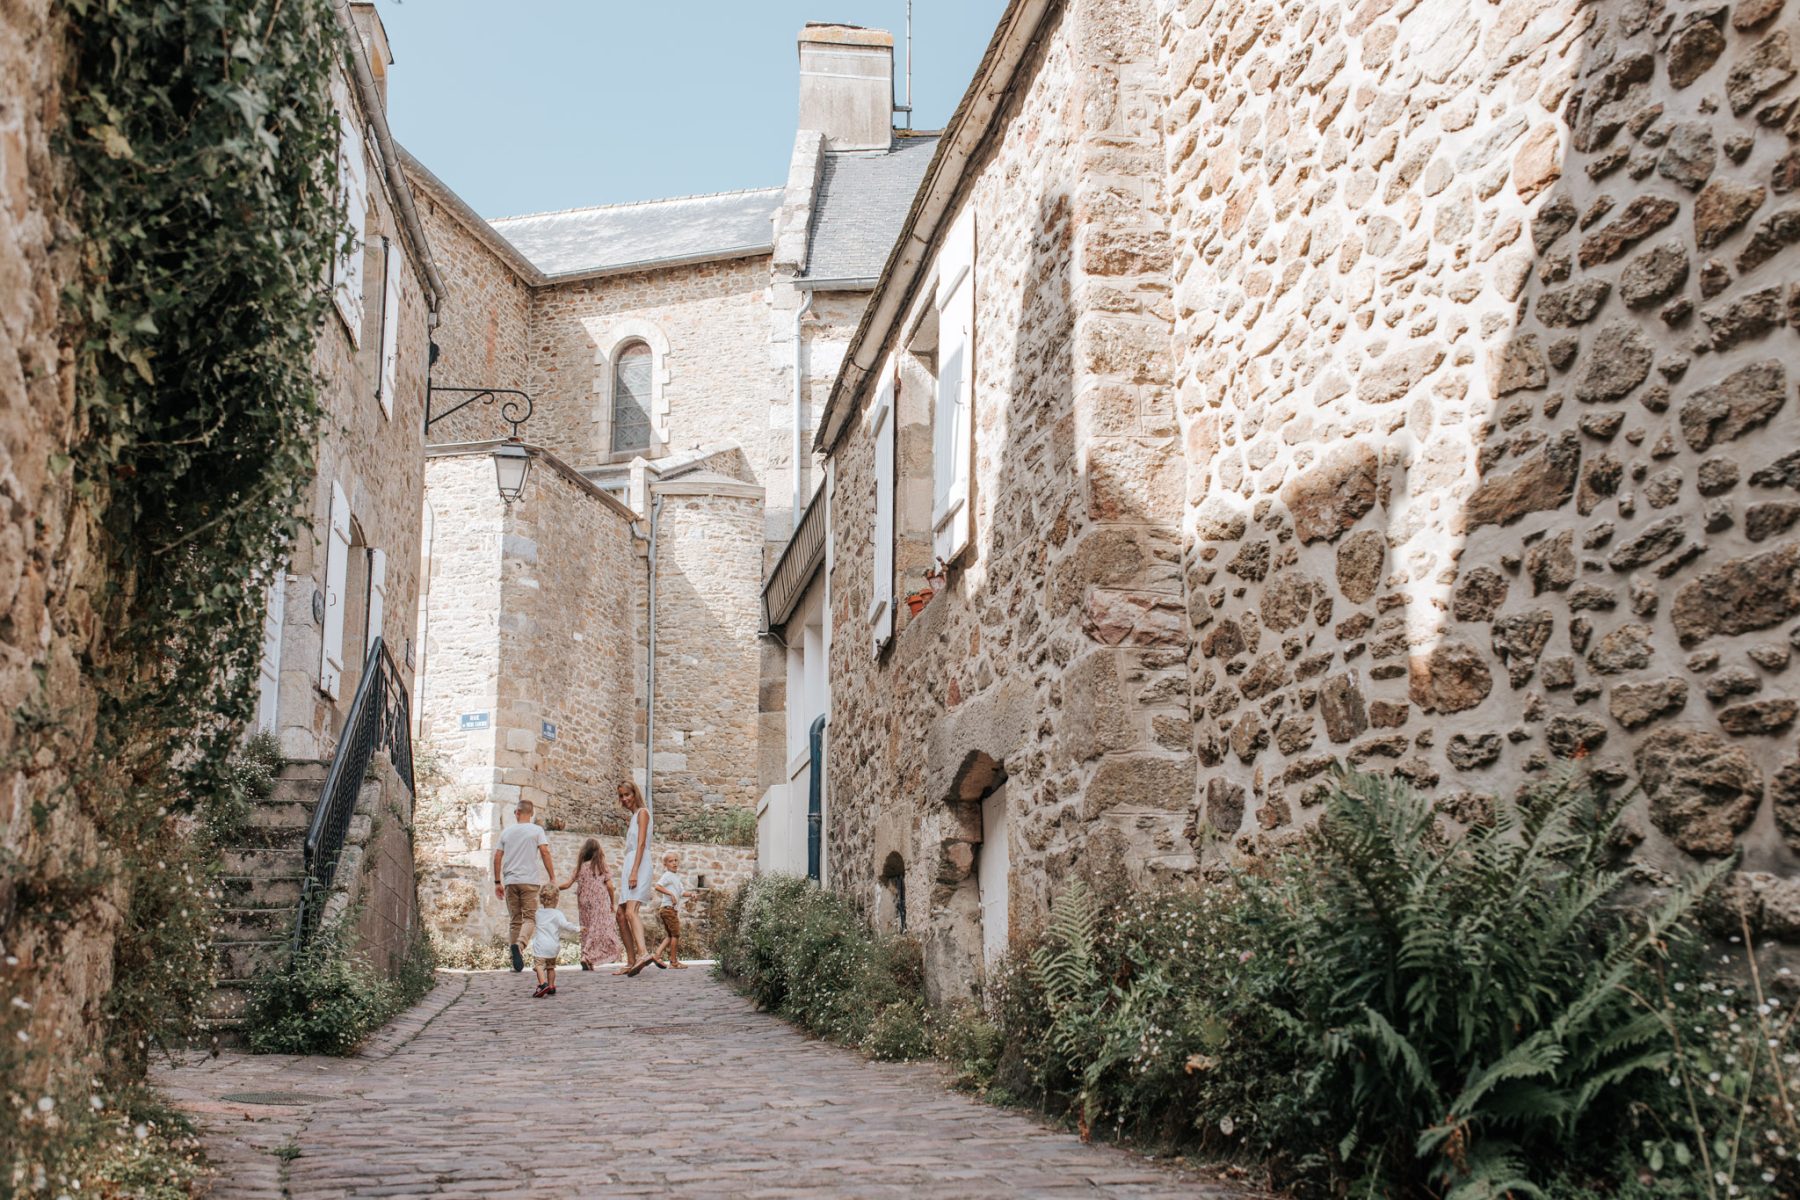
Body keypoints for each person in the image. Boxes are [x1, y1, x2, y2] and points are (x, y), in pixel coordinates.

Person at [492, 798, 555, 973]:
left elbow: (497, 857)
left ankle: (514, 963)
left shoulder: (507, 832)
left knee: (515, 920)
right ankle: (519, 945)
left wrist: (497, 882)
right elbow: (544, 852)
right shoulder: (536, 830)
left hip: (511, 882)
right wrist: (552, 877)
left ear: (516, 813)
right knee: (530, 918)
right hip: (529, 881)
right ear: (532, 813)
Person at [616, 780, 662, 976]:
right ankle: (631, 960)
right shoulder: (634, 816)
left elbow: (642, 844)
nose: (625, 799)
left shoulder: (643, 813)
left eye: (628, 794)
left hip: (639, 863)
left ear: (635, 794)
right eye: (621, 796)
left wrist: (634, 870)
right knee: (620, 914)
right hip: (630, 864)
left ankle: (643, 954)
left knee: (631, 911)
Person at [560, 837, 624, 971]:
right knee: (599, 929)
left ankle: (588, 959)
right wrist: (612, 903)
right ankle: (587, 956)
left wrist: (553, 887)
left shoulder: (580, 867)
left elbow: (567, 884)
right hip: (599, 901)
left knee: (587, 928)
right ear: (598, 852)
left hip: (583, 901)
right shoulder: (601, 866)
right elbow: (610, 887)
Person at [529, 882, 579, 998]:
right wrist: (577, 929)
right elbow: (565, 925)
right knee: (551, 967)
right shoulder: (558, 914)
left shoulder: (538, 913)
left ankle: (543, 985)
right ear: (556, 900)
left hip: (541, 946)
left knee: (539, 966)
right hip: (553, 947)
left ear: (542, 899)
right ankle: (551, 986)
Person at [651, 851, 688, 969]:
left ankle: (656, 955)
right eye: (671, 861)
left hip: (669, 910)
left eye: (676, 860)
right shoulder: (667, 875)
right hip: (668, 909)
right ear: (665, 864)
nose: (674, 863)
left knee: (670, 935)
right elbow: (657, 886)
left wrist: (691, 894)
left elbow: (682, 892)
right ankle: (673, 962)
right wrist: (670, 894)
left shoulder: (676, 877)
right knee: (675, 935)